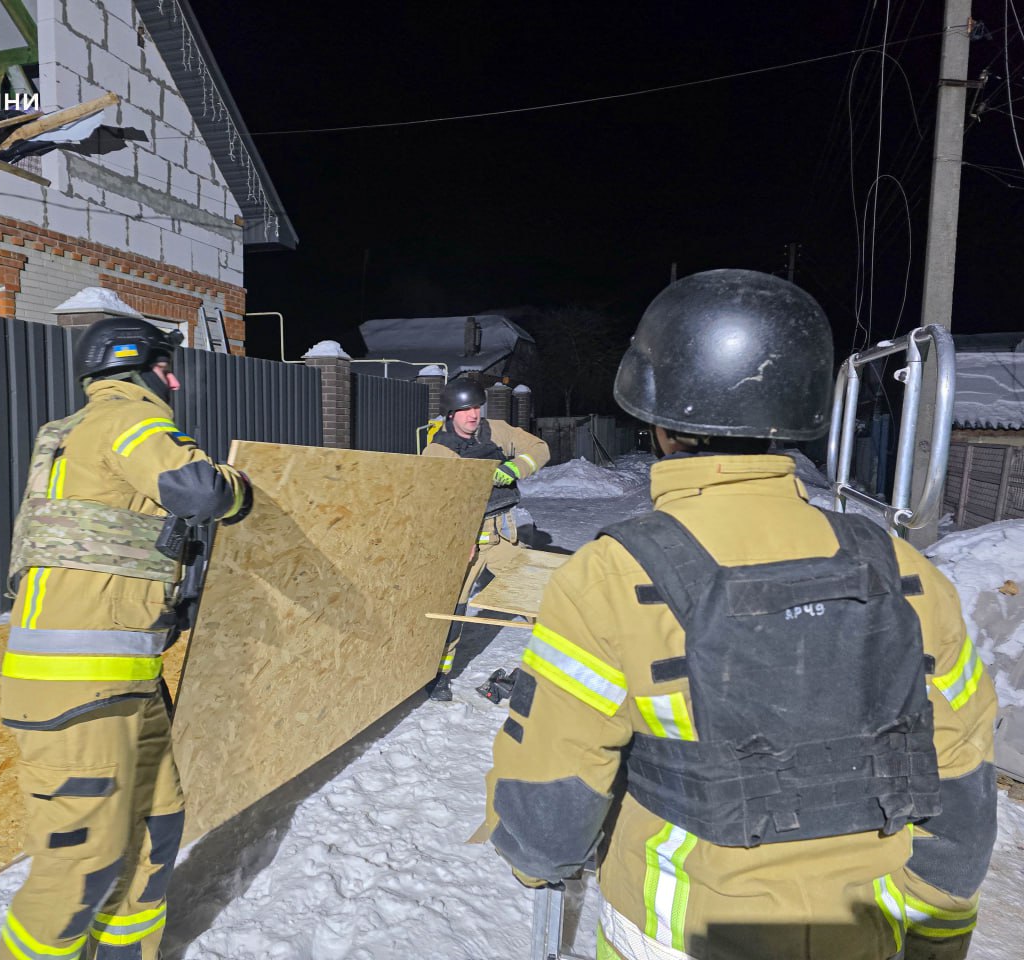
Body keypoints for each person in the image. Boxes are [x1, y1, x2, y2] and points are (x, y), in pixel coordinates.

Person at [484, 269, 997, 960]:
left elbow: (549, 809)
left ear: (660, 421)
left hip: (677, 935)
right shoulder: (904, 571)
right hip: (868, 935)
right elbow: (961, 780)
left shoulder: (611, 576)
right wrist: (937, 932)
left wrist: (533, 862)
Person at [0, 316, 251, 960]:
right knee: (80, 865)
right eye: (167, 367)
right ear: (136, 366)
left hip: (126, 679)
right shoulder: (125, 418)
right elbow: (199, 489)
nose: (174, 382)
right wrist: (243, 489)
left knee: (154, 828)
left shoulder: (75, 434)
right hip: (75, 687)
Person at [421, 377, 549, 700]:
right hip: (466, 540)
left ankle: (556, 664)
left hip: (502, 534)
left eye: (477, 407)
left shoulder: (495, 430)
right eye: (465, 410)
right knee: (453, 609)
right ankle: (438, 675)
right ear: (451, 413)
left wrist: (517, 467)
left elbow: (540, 449)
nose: (474, 415)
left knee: (534, 595)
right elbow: (434, 505)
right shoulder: (439, 451)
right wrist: (454, 540)